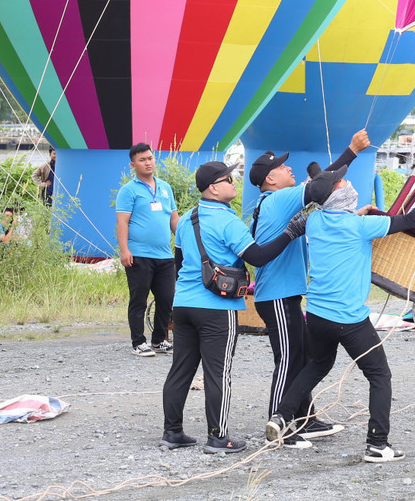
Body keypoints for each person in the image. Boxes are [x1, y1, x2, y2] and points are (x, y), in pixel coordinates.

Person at [266, 166, 415, 463]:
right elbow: (412, 220)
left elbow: (339, 219)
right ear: (337, 194)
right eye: (343, 181)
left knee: (317, 366)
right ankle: (377, 444)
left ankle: (282, 416)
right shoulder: (361, 227)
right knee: (379, 375)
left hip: (318, 316)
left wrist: (359, 213)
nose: (348, 182)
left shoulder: (316, 220)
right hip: (349, 320)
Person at [161, 161, 310, 454]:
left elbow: (179, 263)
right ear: (214, 188)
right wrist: (291, 233)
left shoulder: (188, 218)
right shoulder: (229, 221)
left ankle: (172, 432)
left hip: (184, 304)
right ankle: (218, 437)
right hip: (216, 307)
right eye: (228, 179)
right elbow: (258, 256)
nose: (234, 182)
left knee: (180, 369)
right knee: (218, 372)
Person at [247, 132, 368, 444]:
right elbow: (322, 184)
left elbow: (319, 184)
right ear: (269, 180)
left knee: (300, 358)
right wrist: (351, 151)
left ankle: (307, 419)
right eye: (282, 168)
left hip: (284, 294)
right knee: (288, 360)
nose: (289, 169)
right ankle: (280, 427)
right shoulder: (277, 200)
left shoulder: (272, 202)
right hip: (275, 295)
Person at [115, 143, 179, 358]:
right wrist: (124, 250)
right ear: (133, 164)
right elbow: (122, 222)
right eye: (142, 160)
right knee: (139, 299)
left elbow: (173, 218)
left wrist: (184, 240)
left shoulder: (164, 187)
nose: (148, 162)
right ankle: (138, 342)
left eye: (150, 158)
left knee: (166, 298)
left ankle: (159, 340)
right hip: (139, 254)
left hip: (164, 255)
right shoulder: (128, 190)